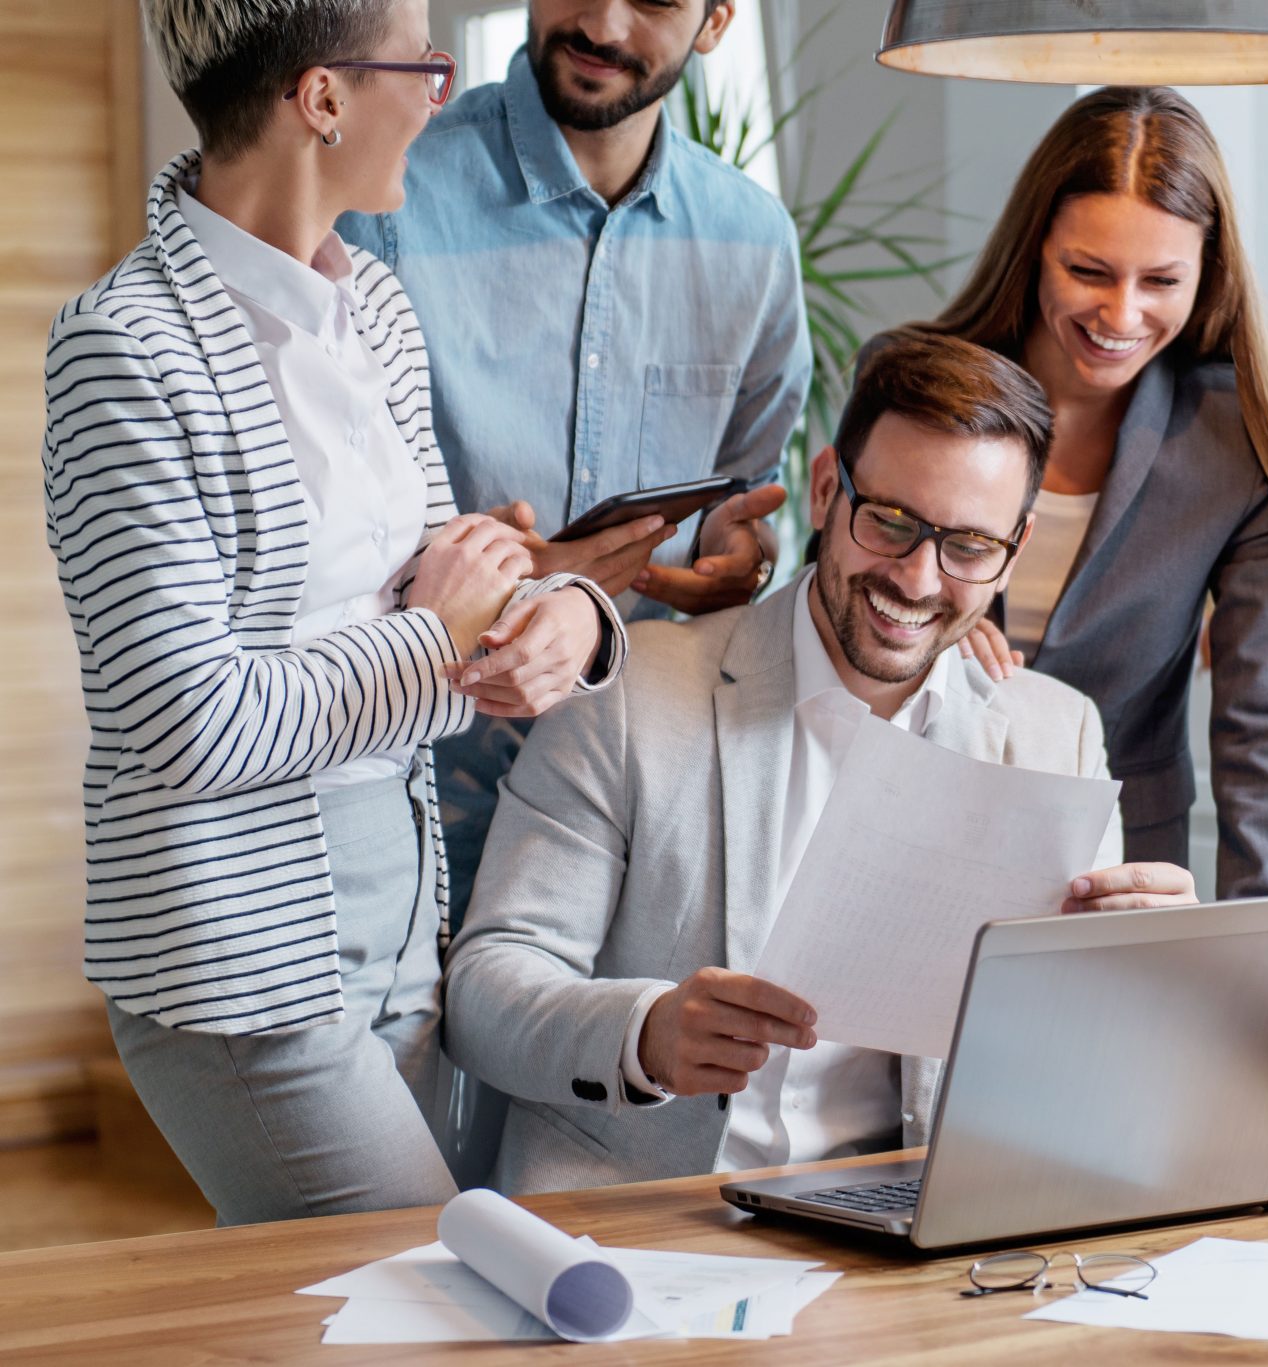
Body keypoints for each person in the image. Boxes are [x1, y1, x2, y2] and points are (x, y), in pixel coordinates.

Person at [41, 0, 626, 1225]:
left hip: (405, 910)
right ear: (321, 99)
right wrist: (441, 633)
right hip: (235, 959)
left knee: (376, 1321)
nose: (439, 94)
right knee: (431, 1284)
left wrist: (564, 610)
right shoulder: (122, 348)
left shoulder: (376, 312)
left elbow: (451, 571)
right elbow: (188, 723)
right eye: (421, 64)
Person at [441, 332, 1200, 1194]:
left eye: (968, 547)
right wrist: (645, 1031)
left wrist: (1142, 973)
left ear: (1013, 551)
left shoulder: (1056, 735)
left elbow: (1075, 1066)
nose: (917, 579)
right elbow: (486, 991)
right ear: (828, 489)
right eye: (892, 523)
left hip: (905, 1242)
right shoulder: (632, 690)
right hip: (639, 1223)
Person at [337, 0, 808, 927]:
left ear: (715, 23)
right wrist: (483, 574)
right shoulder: (392, 192)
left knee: (590, 1067)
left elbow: (749, 499)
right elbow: (322, 519)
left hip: (637, 797)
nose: (602, 20)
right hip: (416, 779)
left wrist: (738, 559)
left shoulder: (753, 243)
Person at [904, 86, 1268, 900]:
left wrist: (1257, 949)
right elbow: (837, 599)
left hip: (1121, 859)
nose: (1121, 314)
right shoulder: (913, 389)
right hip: (912, 821)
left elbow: (1263, 727)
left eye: (1161, 280)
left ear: (1208, 273)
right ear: (1035, 248)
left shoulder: (1235, 440)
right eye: (1088, 271)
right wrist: (921, 633)